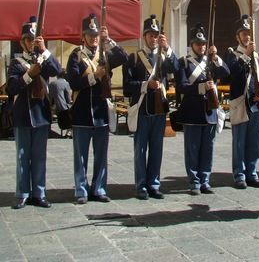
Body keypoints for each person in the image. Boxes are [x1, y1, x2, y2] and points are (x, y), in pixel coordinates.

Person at [67, 13, 128, 204]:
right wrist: (95, 76)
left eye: (95, 35)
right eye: (90, 35)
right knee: (81, 156)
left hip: (101, 112)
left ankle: (99, 188)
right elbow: (74, 82)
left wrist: (108, 40)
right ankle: (81, 190)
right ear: (83, 36)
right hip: (82, 112)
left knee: (101, 155)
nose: (93, 38)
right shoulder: (76, 55)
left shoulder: (106, 54)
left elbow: (123, 57)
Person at [7, 16, 62, 209]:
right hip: (23, 116)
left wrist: (45, 49)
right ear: (22, 42)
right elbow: (11, 88)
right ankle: (22, 193)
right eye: (29, 40)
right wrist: (28, 75)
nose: (31, 43)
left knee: (39, 156)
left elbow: (57, 69)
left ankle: (39, 192)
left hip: (41, 115)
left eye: (34, 40)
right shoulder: (16, 63)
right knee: (23, 156)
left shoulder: (44, 60)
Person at [122, 14, 179, 200]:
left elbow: (176, 68)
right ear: (144, 36)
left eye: (156, 35)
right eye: (151, 35)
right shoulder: (134, 58)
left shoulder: (164, 57)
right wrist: (146, 85)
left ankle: (154, 184)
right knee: (140, 150)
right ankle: (141, 186)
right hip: (141, 109)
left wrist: (168, 48)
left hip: (159, 109)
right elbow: (127, 86)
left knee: (156, 149)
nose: (154, 39)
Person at [175, 23, 230, 195]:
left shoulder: (210, 61)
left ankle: (205, 180)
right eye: (198, 44)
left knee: (208, 149)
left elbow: (226, 72)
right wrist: (201, 88)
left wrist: (216, 57)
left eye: (204, 44)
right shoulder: (183, 62)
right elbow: (182, 87)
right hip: (192, 113)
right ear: (191, 45)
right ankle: (194, 181)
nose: (201, 47)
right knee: (192, 149)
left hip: (210, 111)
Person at [225, 14, 259, 189]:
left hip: (255, 103)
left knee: (254, 142)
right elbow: (233, 73)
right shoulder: (232, 54)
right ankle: (239, 175)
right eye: (243, 34)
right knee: (239, 142)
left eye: (248, 33)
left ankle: (252, 173)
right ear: (237, 37)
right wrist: (246, 55)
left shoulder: (258, 56)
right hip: (240, 102)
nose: (247, 36)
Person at [48, 68, 72, 138]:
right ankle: (69, 132)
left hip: (53, 107)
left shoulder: (52, 84)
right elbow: (68, 98)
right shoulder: (66, 84)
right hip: (63, 107)